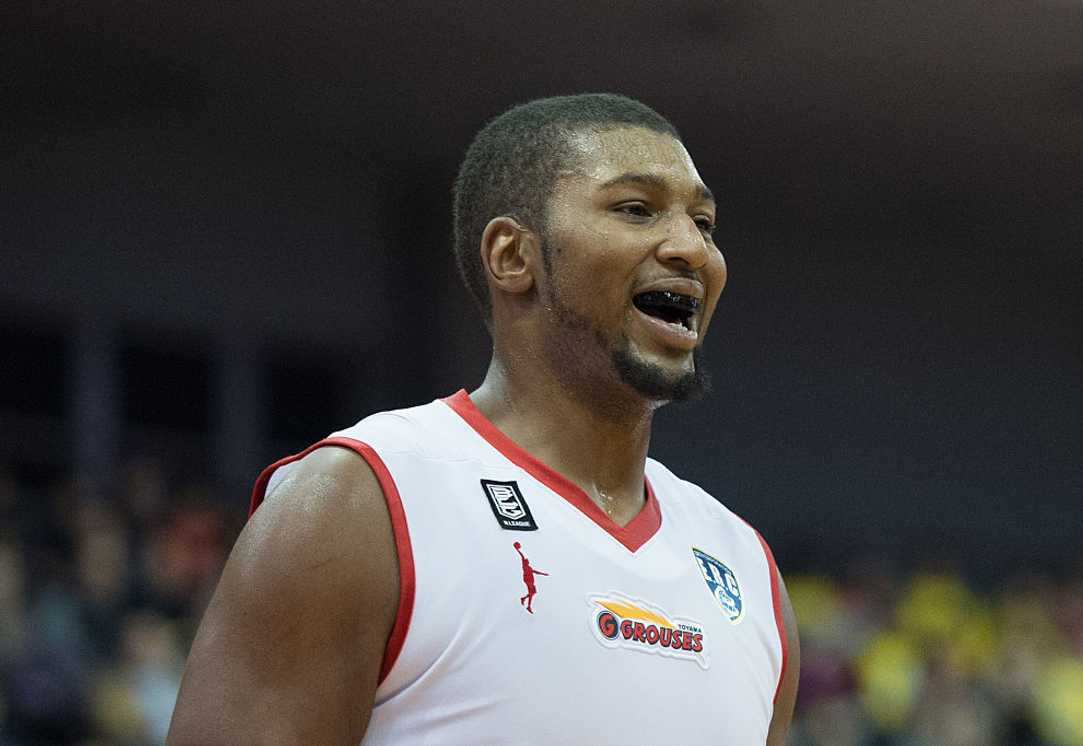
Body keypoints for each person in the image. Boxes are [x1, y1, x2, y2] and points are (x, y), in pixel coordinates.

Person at [168, 93, 800, 744]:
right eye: (636, 209)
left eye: (704, 222)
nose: (692, 249)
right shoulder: (360, 503)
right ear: (512, 256)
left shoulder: (746, 570)